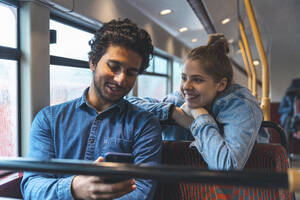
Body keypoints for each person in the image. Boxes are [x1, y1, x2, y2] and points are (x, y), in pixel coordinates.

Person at [21, 18, 162, 200]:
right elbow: (32, 185)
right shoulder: (48, 119)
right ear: (93, 62)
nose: (120, 79)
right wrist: (73, 188)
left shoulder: (145, 124)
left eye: (131, 73)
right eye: (113, 67)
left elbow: (142, 191)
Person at [129, 34, 269, 170]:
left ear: (221, 84)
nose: (186, 87)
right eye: (184, 78)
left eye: (197, 80)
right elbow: (127, 105)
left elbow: (227, 166)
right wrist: (173, 113)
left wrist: (200, 116)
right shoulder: (180, 99)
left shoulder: (240, 106)